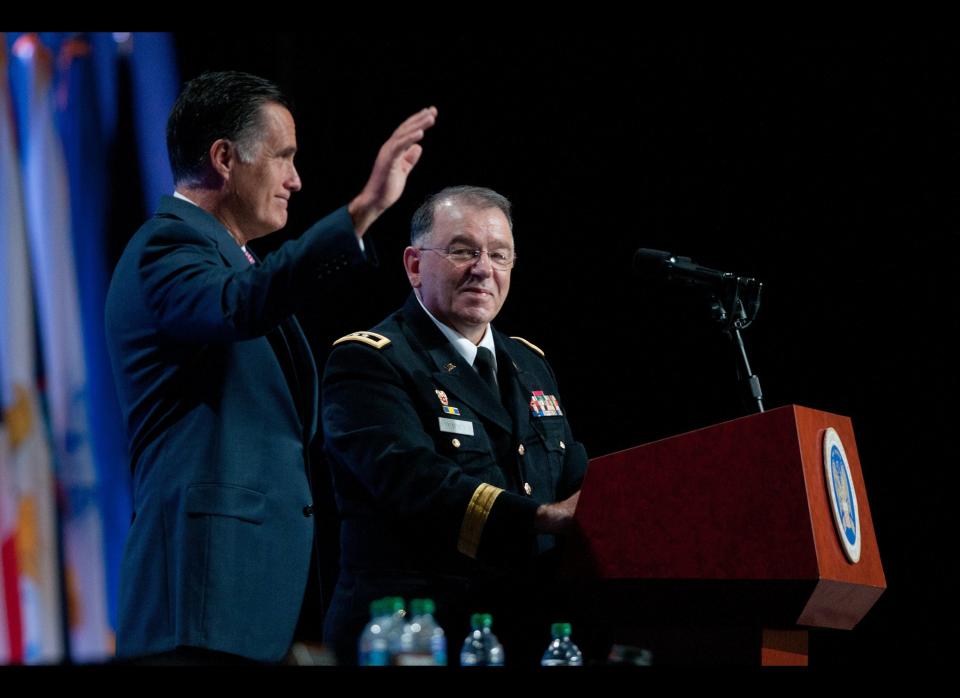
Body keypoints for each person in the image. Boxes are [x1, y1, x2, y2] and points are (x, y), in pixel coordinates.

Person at [104, 71, 436, 663]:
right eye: (283, 157)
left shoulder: (228, 260)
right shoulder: (167, 248)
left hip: (244, 601)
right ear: (225, 158)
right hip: (198, 605)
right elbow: (243, 303)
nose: (296, 179)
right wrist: (361, 210)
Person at [321, 186, 587, 664]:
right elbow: (416, 483)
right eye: (463, 250)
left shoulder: (530, 363)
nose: (483, 268)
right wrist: (540, 518)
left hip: (518, 630)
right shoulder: (368, 361)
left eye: (499, 255)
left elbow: (574, 474)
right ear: (415, 265)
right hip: (412, 634)